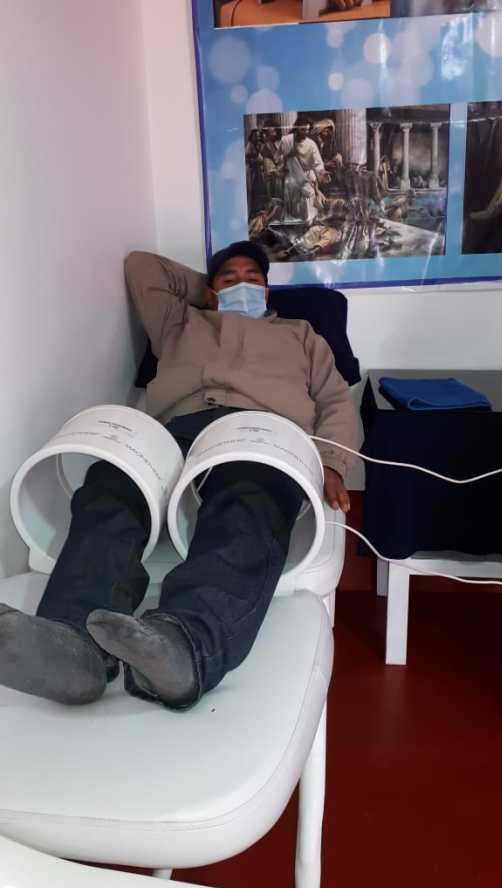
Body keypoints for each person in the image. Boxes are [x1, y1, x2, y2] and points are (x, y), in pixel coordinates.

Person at [0, 241, 359, 711]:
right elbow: (142, 268)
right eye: (229, 277)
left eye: (253, 278)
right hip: (174, 435)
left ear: (269, 292)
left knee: (248, 499)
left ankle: (187, 645)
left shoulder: (302, 334)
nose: (243, 284)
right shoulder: (179, 322)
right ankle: (72, 647)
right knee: (110, 486)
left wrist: (332, 462)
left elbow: (335, 402)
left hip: (259, 436)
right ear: (210, 290)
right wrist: (209, 292)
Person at [277, 118, 331, 224]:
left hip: (306, 176)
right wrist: (287, 156)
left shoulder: (311, 144)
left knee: (308, 205)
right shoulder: (286, 140)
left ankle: (307, 223)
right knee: (293, 208)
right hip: (291, 175)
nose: (305, 132)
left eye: (307, 130)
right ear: (296, 128)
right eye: (303, 130)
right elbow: (277, 159)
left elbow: (318, 163)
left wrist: (322, 172)